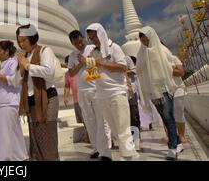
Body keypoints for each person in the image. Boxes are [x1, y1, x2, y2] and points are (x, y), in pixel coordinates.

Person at [84, 23, 139, 161]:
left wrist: (101, 62)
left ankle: (127, 156)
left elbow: (122, 67)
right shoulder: (92, 52)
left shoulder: (114, 47)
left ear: (101, 34)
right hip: (102, 95)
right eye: (90, 38)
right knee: (115, 129)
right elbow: (93, 75)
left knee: (123, 127)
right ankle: (131, 154)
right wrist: (89, 66)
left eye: (95, 36)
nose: (93, 40)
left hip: (117, 92)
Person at [136, 26, 182, 160]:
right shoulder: (141, 53)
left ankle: (172, 148)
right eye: (142, 40)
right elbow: (139, 69)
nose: (144, 42)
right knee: (165, 119)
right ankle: (177, 141)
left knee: (168, 117)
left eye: (146, 39)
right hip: (153, 92)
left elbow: (171, 67)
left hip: (164, 90)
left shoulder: (163, 50)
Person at [15, 24, 59, 161]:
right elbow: (18, 80)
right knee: (35, 137)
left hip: (47, 99)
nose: (21, 44)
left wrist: (27, 65)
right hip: (31, 101)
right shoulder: (24, 56)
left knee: (47, 137)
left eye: (24, 40)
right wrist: (21, 69)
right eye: (19, 41)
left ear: (32, 38)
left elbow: (49, 72)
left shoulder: (45, 51)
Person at [67, 30, 112, 160]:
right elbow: (71, 73)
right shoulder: (72, 55)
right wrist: (81, 63)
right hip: (82, 91)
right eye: (75, 43)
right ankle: (96, 148)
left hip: (96, 88)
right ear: (72, 43)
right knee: (89, 121)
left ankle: (106, 149)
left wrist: (86, 61)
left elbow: (98, 65)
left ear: (83, 38)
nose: (79, 44)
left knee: (101, 119)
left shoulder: (92, 48)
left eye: (80, 41)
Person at [0, 40, 28, 161]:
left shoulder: (13, 62)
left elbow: (15, 80)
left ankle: (15, 158)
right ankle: (5, 158)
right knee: (0, 135)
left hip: (8, 103)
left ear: (7, 51)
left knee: (10, 134)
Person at [125, 55, 141, 151]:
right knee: (124, 118)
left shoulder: (126, 58)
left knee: (134, 116)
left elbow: (134, 70)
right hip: (119, 92)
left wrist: (122, 71)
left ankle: (136, 140)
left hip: (131, 91)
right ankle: (128, 142)